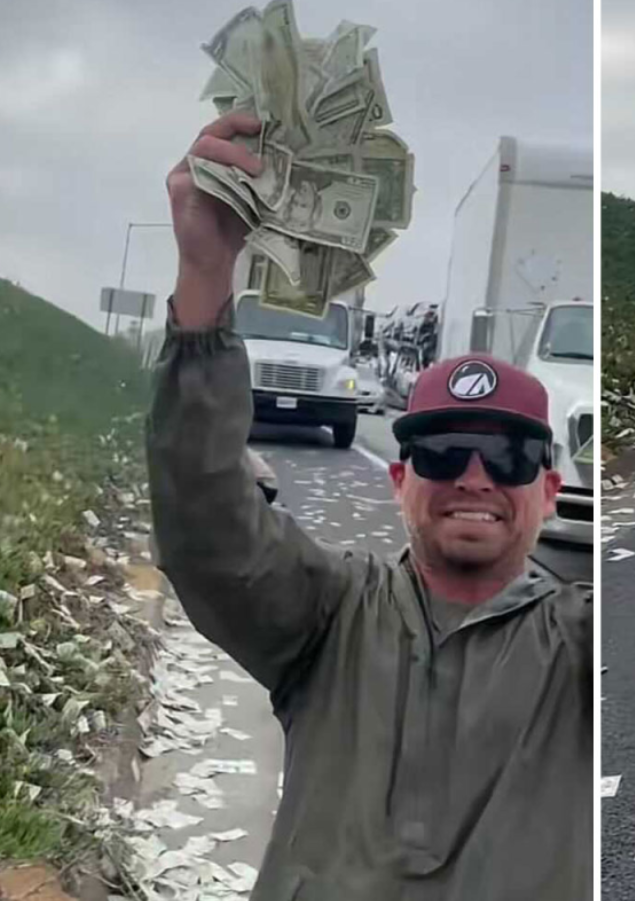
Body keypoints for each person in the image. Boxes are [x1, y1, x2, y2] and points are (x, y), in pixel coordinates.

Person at [148, 112, 591, 900]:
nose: (476, 476)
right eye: (444, 451)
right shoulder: (330, 618)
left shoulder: (576, 649)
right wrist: (208, 278)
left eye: (512, 455)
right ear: (399, 479)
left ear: (550, 490)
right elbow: (206, 523)